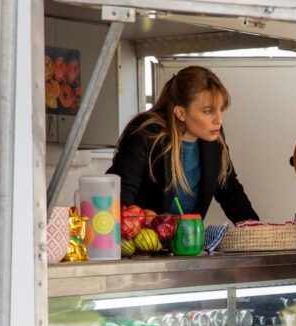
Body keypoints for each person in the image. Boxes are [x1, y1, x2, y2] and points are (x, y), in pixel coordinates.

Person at [107, 66, 258, 222]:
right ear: (181, 113)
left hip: (186, 237)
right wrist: (132, 233)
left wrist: (256, 230)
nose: (219, 120)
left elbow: (231, 191)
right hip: (142, 235)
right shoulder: (146, 131)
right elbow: (122, 193)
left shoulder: (214, 138)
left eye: (221, 109)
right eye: (208, 111)